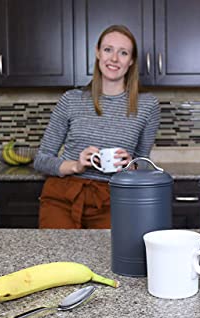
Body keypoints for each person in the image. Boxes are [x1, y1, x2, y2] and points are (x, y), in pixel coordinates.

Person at [34, 25, 160, 229]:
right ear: (97, 52)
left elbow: (145, 163)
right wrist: (76, 165)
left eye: (123, 52)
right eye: (108, 49)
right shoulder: (71, 100)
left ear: (131, 61)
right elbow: (41, 160)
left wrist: (132, 165)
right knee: (59, 259)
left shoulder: (147, 105)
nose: (114, 59)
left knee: (105, 259)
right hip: (63, 198)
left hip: (114, 199)